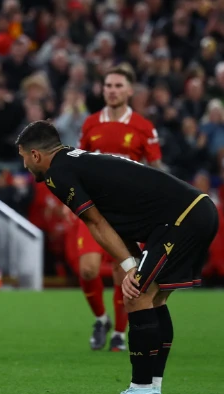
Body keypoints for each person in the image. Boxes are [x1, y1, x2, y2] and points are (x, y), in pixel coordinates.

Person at [16, 121, 218, 394]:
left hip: (181, 218)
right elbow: (115, 219)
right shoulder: (76, 160)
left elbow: (96, 222)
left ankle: (141, 392)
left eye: (24, 156)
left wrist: (129, 267)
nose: (24, 164)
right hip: (195, 210)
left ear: (36, 155)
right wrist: (133, 261)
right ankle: (153, 393)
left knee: (135, 296)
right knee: (154, 299)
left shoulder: (57, 173)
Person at [76, 65, 163, 352]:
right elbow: (78, 163)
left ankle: (120, 334)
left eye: (118, 85)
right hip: (92, 208)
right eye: (108, 85)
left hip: (127, 213)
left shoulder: (143, 127)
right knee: (88, 269)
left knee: (122, 273)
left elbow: (156, 169)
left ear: (129, 90)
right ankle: (101, 320)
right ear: (103, 90)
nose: (112, 90)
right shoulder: (90, 124)